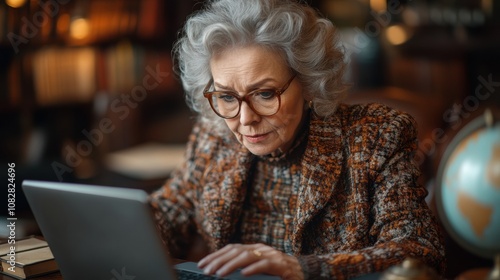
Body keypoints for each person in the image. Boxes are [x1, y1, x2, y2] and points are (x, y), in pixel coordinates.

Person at [150, 0, 446, 279]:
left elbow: (418, 252)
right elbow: (169, 211)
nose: (244, 119)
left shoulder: (376, 136)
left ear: (308, 84)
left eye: (265, 94)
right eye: (227, 97)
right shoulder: (212, 134)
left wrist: (304, 269)